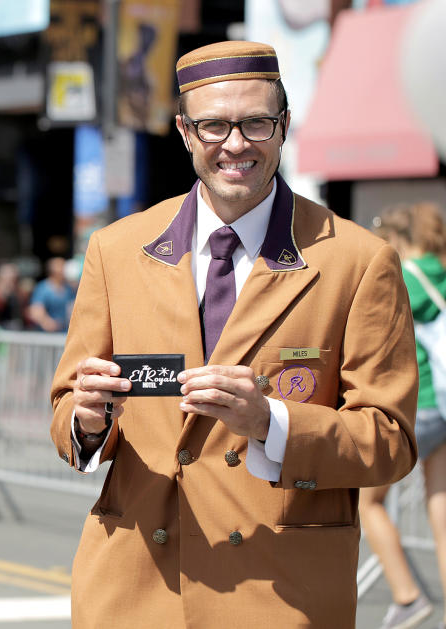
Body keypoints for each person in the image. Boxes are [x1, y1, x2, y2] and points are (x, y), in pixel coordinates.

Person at [49, 41, 418, 628]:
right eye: (215, 125)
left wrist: (271, 422)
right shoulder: (116, 250)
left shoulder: (357, 261)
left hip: (278, 594)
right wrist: (87, 420)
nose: (236, 143)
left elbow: (390, 440)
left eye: (256, 123)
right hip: (134, 589)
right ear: (185, 132)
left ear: (285, 126)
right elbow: (69, 407)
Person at [360, 202, 446, 629]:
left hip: (422, 403)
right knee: (439, 502)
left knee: (367, 502)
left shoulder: (404, 276)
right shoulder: (442, 273)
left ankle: (407, 595)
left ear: (398, 237)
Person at [27, 257, 75, 332]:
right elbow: (35, 310)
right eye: (61, 267)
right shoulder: (43, 288)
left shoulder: (68, 289)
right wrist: (47, 323)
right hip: (47, 337)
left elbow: (72, 308)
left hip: (64, 333)